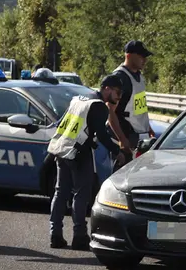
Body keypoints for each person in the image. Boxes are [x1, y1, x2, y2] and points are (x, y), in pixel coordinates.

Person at [47, 74, 127, 250]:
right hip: (79, 153)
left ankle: (55, 234)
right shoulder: (98, 106)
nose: (119, 97)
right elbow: (102, 134)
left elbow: (61, 123)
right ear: (107, 89)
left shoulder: (79, 99)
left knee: (60, 192)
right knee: (81, 194)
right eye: (117, 92)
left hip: (62, 149)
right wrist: (117, 152)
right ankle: (79, 236)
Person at [109, 40, 157, 166]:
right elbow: (109, 112)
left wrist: (148, 127)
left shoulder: (139, 77)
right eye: (141, 56)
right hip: (126, 140)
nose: (144, 60)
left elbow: (138, 107)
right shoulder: (119, 78)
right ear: (129, 56)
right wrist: (122, 139)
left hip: (139, 136)